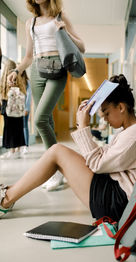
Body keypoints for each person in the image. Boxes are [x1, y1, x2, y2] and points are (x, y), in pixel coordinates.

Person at [0, 74, 136, 221]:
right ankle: (9, 193)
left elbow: (97, 164)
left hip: (117, 202)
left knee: (57, 152)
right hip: (115, 192)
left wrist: (83, 126)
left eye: (106, 113)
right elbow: (105, 158)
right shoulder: (133, 131)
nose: (105, 120)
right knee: (60, 153)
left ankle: (6, 199)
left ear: (121, 107)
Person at [7, 0, 85, 190]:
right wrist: (16, 71)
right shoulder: (30, 23)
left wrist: (64, 30)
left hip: (58, 69)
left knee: (39, 120)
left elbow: (81, 47)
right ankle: (57, 170)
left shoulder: (60, 16)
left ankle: (56, 170)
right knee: (46, 119)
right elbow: (28, 57)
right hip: (37, 71)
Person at [0, 59, 26, 159]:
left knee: (9, 128)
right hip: (18, 108)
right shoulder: (17, 77)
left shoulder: (4, 78)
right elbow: (23, 92)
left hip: (7, 107)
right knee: (18, 128)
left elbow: (2, 94)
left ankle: (11, 150)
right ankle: (18, 149)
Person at [20, 69, 32, 154]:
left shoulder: (27, 82)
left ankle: (26, 146)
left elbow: (29, 95)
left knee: (24, 127)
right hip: (17, 108)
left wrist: (27, 108)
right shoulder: (16, 81)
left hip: (24, 108)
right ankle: (19, 146)